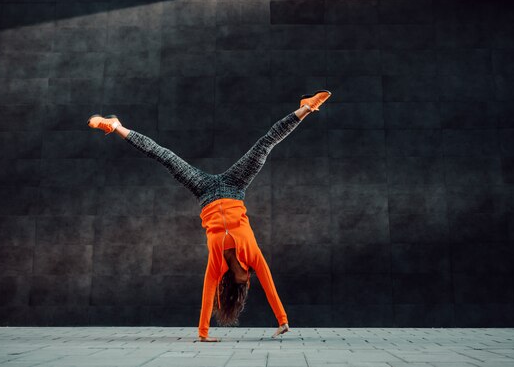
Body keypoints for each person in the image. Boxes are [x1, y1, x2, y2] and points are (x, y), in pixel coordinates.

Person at [87, 90, 332, 342]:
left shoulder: (217, 266)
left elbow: (207, 295)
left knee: (165, 156)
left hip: (204, 192)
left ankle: (115, 126)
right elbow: (270, 286)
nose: (248, 280)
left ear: (237, 283)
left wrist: (203, 334)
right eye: (248, 280)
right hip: (235, 187)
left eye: (244, 284)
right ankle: (306, 108)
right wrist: (283, 321)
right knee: (265, 145)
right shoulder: (253, 258)